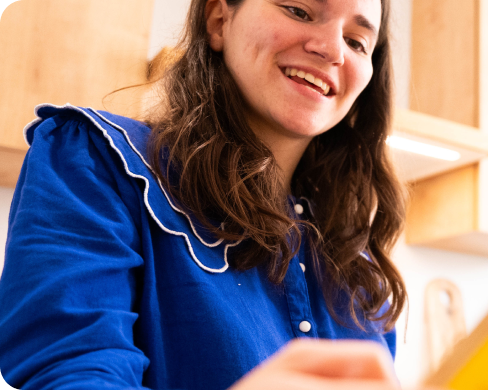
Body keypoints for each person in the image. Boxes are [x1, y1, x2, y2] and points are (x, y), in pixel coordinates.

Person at [0, 0, 418, 388]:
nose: (332, 50)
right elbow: (65, 372)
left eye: (356, 42)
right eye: (300, 10)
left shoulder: (359, 270)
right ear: (219, 20)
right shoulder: (93, 158)